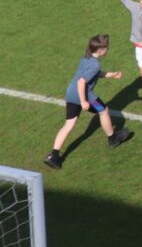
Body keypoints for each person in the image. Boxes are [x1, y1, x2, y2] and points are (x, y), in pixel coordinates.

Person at [43, 34, 133, 169]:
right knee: (104, 110)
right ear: (101, 50)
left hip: (71, 94)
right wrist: (84, 101)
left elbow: (92, 74)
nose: (108, 49)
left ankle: (54, 156)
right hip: (85, 96)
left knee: (69, 125)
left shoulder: (86, 57)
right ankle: (112, 138)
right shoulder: (95, 65)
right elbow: (82, 82)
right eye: (107, 47)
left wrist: (110, 75)